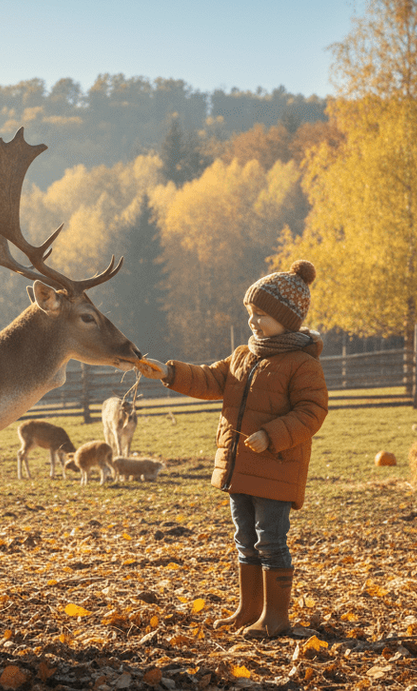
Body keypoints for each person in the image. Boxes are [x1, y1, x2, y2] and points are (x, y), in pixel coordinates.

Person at [136, 261, 328, 637]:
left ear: (287, 319)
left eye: (262, 315)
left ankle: (276, 618)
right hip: (239, 469)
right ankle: (249, 610)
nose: (254, 321)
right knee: (245, 540)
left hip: (275, 469)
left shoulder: (302, 364)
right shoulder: (244, 355)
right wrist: (170, 372)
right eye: (251, 313)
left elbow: (312, 412)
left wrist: (272, 435)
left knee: (270, 541)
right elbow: (211, 378)